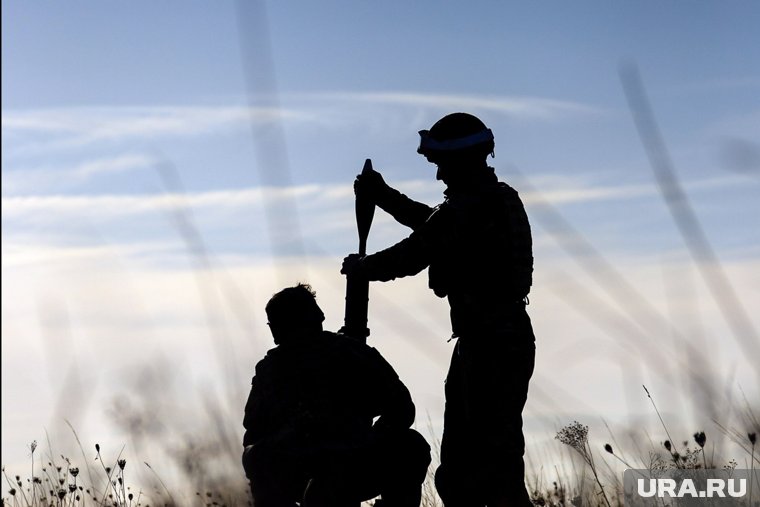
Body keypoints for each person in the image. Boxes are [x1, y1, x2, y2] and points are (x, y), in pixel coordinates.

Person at [341, 112, 535, 507]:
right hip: (493, 338)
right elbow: (434, 225)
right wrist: (385, 195)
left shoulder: (469, 210)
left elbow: (415, 252)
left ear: (463, 161)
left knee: (482, 469)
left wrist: (363, 268)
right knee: (480, 465)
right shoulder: (493, 201)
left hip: (489, 345)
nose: (439, 177)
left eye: (442, 166)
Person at [242, 283, 431, 507]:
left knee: (410, 446)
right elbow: (402, 409)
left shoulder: (348, 353)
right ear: (318, 317)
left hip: (349, 466)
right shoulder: (347, 353)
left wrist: (363, 442)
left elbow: (401, 409)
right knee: (258, 457)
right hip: (308, 469)